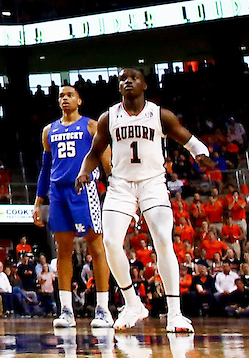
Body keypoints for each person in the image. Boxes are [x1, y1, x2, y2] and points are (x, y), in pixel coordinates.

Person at [76, 67, 215, 333]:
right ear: (119, 88)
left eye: (134, 78)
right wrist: (84, 172)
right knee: (110, 242)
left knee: (163, 239)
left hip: (153, 183)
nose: (128, 82)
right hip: (121, 185)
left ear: (144, 85)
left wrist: (201, 154)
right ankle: (132, 304)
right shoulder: (108, 117)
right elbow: (95, 151)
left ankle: (175, 313)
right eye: (123, 79)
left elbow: (189, 139)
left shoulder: (160, 114)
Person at [33, 85, 114, 328]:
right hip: (57, 193)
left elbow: (106, 160)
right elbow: (45, 169)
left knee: (96, 247)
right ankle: (66, 310)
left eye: (69, 95)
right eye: (61, 96)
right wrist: (38, 202)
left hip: (84, 189)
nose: (64, 98)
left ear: (79, 100)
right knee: (63, 250)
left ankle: (103, 308)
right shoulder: (48, 131)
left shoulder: (91, 125)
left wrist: (114, 188)